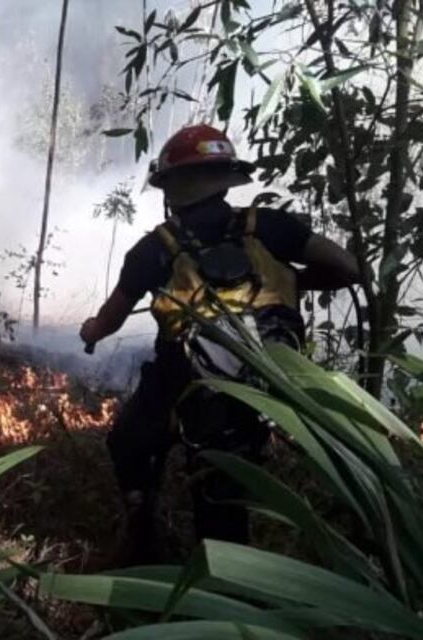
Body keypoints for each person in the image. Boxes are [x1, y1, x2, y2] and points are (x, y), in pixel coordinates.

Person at [80, 124, 361, 564]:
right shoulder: (269, 226)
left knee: (130, 441)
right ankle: (234, 589)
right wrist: (292, 282)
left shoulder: (155, 249)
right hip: (264, 387)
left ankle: (140, 531)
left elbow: (110, 319)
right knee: (223, 501)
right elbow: (347, 267)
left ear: (172, 187)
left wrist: (90, 332)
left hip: (180, 389)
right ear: (226, 179)